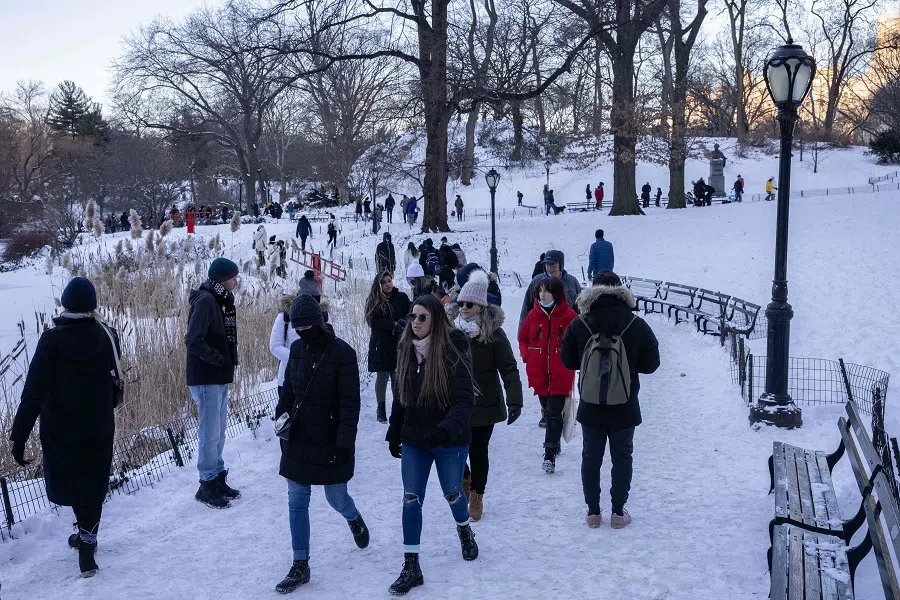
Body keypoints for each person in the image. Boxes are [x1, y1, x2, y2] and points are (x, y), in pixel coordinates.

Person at [11, 277, 120, 577]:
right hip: (98, 423)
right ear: (92, 306)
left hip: (61, 426)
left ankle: (84, 535)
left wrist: (18, 437)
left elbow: (33, 393)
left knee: (74, 479)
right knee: (93, 478)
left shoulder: (50, 341)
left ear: (65, 304)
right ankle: (88, 542)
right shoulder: (107, 335)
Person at [274, 295, 369, 593]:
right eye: (297, 328)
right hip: (300, 438)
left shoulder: (343, 354)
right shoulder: (296, 350)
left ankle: (353, 517)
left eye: (307, 326)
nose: (302, 332)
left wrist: (344, 444)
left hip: (330, 440)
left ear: (319, 322)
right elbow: (287, 392)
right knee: (296, 501)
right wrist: (282, 416)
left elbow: (349, 405)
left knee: (335, 498)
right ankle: (300, 564)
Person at [385, 294, 477, 595]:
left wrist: (444, 430)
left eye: (422, 317)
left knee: (452, 492)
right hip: (415, 440)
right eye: (413, 316)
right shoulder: (406, 351)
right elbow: (401, 396)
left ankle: (464, 529)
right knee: (410, 499)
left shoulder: (453, 352)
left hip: (449, 441)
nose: (415, 322)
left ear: (436, 320)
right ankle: (411, 565)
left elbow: (464, 403)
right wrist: (394, 431)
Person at [560, 271, 660, 529]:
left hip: (591, 405)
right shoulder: (635, 323)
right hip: (625, 404)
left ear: (593, 290)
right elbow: (652, 365)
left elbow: (568, 361)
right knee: (622, 456)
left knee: (590, 457)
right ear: (620, 290)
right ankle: (618, 512)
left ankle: (593, 512)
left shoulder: (580, 322)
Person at [448, 271, 522, 521]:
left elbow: (509, 368)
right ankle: (464, 478)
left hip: (485, 403)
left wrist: (515, 400)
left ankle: (477, 493)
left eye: (469, 304)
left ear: (480, 306)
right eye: (461, 304)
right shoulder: (451, 333)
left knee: (478, 449)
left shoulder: (494, 334)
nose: (464, 308)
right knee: (453, 449)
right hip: (455, 403)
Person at [185, 258, 242, 509]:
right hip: (207, 376)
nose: (236, 281)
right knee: (209, 433)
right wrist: (218, 358)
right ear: (221, 280)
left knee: (218, 431)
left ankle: (217, 477)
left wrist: (226, 361)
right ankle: (206, 484)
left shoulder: (221, 300)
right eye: (233, 277)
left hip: (218, 375)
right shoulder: (207, 301)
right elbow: (193, 341)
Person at [518, 276, 577, 472]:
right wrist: (527, 356)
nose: (542, 294)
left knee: (553, 413)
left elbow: (578, 342)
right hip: (539, 373)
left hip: (561, 372)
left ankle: (549, 454)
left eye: (546, 291)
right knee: (547, 408)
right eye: (540, 291)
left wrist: (571, 359)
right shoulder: (533, 316)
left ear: (557, 294)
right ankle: (555, 440)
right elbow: (523, 338)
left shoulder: (569, 316)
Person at [365, 271, 411, 423]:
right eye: (384, 282)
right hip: (381, 343)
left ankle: (396, 408)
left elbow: (410, 313)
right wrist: (393, 325)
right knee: (383, 376)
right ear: (379, 284)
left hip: (399, 343)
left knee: (397, 376)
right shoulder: (374, 300)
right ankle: (380, 408)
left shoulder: (402, 297)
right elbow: (372, 321)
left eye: (389, 280)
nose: (388, 284)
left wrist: (404, 322)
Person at [518, 250, 581, 329]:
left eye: (553, 265)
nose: (550, 268)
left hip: (567, 331)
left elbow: (580, 309)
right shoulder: (537, 281)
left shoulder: (572, 282)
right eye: (547, 265)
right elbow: (526, 308)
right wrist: (522, 332)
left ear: (561, 265)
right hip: (541, 332)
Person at [269, 294, 300, 396]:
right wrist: (297, 357)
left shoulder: (320, 315)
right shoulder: (284, 317)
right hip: (287, 378)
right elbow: (274, 346)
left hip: (312, 380)